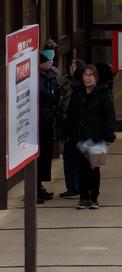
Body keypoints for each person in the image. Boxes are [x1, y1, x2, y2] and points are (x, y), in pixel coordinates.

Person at [64, 63, 116, 210]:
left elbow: (109, 115)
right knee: (81, 168)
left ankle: (93, 197)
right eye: (86, 75)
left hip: (95, 137)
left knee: (93, 168)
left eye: (91, 75)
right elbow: (71, 115)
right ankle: (83, 197)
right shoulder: (77, 92)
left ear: (96, 77)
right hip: (80, 136)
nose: (88, 78)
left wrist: (108, 134)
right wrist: (67, 133)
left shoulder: (103, 93)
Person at [58, 58, 85, 198]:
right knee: (71, 157)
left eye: (75, 66)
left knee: (75, 158)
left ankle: (76, 186)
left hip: (78, 129)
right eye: (71, 65)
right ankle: (75, 185)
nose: (72, 68)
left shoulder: (79, 87)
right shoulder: (68, 83)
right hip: (70, 128)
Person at [37, 50, 59, 203]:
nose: (51, 64)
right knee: (41, 156)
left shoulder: (47, 77)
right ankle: (36, 187)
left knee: (44, 156)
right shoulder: (41, 79)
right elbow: (49, 97)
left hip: (46, 121)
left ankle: (39, 186)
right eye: (49, 61)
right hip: (42, 123)